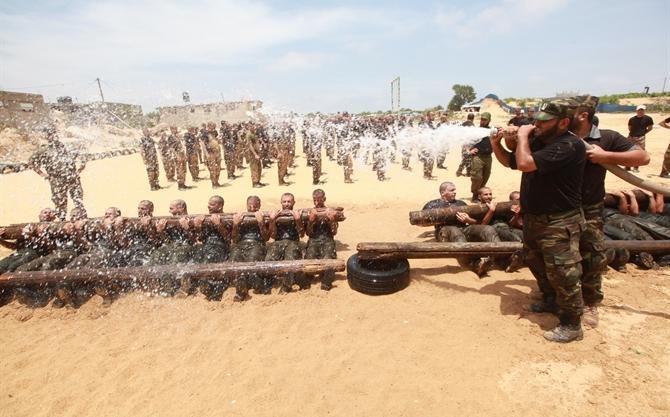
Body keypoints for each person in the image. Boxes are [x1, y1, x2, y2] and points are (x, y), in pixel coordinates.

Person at [492, 97, 586, 343]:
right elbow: (512, 162)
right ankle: (550, 301)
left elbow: (525, 163)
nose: (537, 125)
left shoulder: (569, 145)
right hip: (535, 218)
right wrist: (497, 142)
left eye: (544, 121)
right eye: (536, 120)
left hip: (559, 221)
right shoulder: (541, 140)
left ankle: (572, 324)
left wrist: (522, 136)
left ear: (563, 122)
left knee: (563, 273)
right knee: (537, 263)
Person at [570, 95, 650, 328]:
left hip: (590, 207)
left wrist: (605, 156)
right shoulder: (560, 135)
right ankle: (558, 296)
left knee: (592, 254)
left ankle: (590, 303)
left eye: (569, 112)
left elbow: (643, 157)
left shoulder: (607, 137)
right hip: (560, 207)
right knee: (560, 254)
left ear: (583, 115)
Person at [422, 181, 498, 277]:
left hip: (463, 229)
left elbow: (477, 222)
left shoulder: (461, 203)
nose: (455, 192)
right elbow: (421, 223)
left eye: (455, 190)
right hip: (445, 232)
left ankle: (502, 256)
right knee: (455, 231)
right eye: (452, 190)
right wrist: (438, 219)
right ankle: (475, 264)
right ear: (442, 193)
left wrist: (468, 220)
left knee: (487, 229)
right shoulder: (433, 204)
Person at [29, 126, 86, 220]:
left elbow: (81, 156)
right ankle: (62, 221)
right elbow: (32, 163)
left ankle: (82, 218)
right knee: (60, 203)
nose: (53, 136)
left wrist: (81, 167)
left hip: (72, 177)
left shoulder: (66, 147)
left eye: (54, 133)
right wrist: (43, 174)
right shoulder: (44, 150)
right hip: (56, 179)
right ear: (47, 136)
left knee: (78, 199)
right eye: (50, 134)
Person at [192, 195, 231, 301]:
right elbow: (200, 238)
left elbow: (229, 239)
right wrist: (198, 226)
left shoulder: (227, 218)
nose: (209, 206)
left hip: (220, 247)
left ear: (220, 206)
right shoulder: (206, 219)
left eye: (212, 204)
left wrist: (218, 225)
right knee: (195, 260)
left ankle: (216, 289)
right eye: (209, 204)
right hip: (206, 247)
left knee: (210, 260)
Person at [230, 196, 269, 300]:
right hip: (240, 244)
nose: (252, 208)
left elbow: (266, 238)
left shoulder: (264, 217)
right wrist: (235, 224)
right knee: (234, 260)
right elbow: (234, 239)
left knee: (252, 261)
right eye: (250, 206)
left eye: (255, 206)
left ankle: (254, 284)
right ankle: (241, 284)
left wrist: (261, 223)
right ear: (246, 205)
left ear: (259, 206)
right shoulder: (241, 217)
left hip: (257, 243)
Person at [266, 193, 306, 293]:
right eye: (284, 202)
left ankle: (286, 285)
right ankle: (269, 283)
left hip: (293, 242)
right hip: (278, 242)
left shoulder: (297, 214)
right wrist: (272, 220)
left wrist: (298, 220)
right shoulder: (277, 214)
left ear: (293, 202)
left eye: (289, 201)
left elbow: (302, 234)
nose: (287, 204)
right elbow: (272, 236)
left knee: (290, 259)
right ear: (281, 202)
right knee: (269, 259)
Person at [305, 189, 339, 290]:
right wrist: (311, 222)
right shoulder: (310, 212)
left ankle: (326, 283)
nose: (317, 202)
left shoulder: (330, 211)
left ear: (324, 199)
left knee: (328, 258)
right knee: (309, 258)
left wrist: (332, 221)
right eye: (315, 200)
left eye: (319, 200)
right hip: (313, 240)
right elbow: (308, 233)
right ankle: (307, 280)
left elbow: (334, 232)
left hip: (327, 239)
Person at [468, 112, 494, 202]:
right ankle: (475, 195)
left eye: (485, 120)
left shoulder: (492, 131)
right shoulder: (476, 130)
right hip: (478, 156)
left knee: (486, 175)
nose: (482, 121)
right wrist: (469, 150)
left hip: (488, 157)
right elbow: (467, 141)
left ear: (489, 120)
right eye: (482, 119)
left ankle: (482, 194)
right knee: (477, 177)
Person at [627, 105, 654, 172]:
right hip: (631, 137)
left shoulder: (648, 119)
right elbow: (630, 128)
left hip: (640, 138)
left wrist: (643, 133)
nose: (640, 111)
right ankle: (627, 166)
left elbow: (650, 128)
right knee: (628, 151)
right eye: (639, 110)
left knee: (639, 152)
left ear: (644, 111)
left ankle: (636, 168)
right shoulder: (632, 119)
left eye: (642, 110)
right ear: (636, 111)